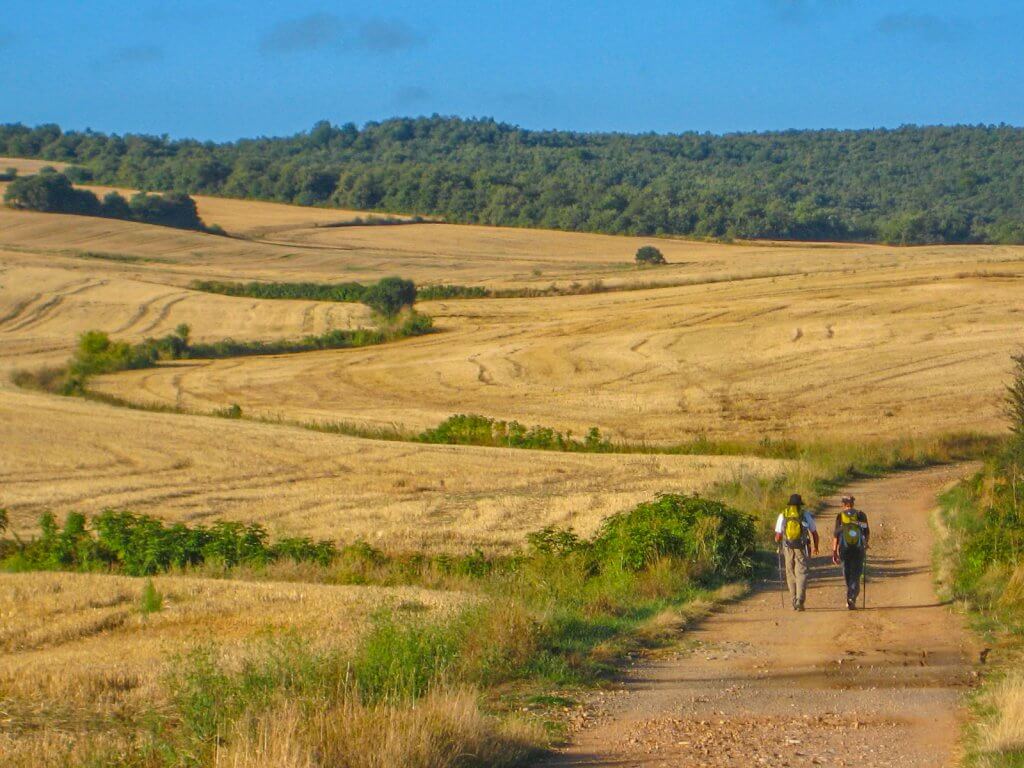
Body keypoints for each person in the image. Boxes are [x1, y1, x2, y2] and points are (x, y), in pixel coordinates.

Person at [774, 493, 819, 611]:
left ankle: (794, 600)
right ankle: (800, 600)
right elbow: (814, 532)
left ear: (789, 504)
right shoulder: (805, 515)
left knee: (790, 573)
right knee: (801, 572)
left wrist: (778, 541)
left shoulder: (783, 514)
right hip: (801, 547)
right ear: (800, 504)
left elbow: (778, 536)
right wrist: (815, 547)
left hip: (787, 547)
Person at [832, 494, 869, 610]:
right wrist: (865, 544)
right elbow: (867, 532)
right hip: (858, 548)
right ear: (853, 503)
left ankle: (850, 596)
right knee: (856, 574)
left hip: (844, 549)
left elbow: (836, 535)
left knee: (847, 572)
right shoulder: (860, 515)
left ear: (843, 504)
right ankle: (852, 596)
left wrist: (834, 551)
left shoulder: (840, 516)